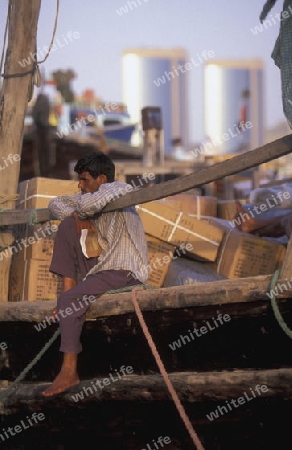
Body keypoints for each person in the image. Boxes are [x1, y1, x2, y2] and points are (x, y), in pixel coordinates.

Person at [41, 151, 148, 397]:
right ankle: (69, 293)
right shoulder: (92, 194)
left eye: (85, 179)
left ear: (101, 179)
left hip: (124, 271)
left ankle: (69, 371)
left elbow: (88, 204)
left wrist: (79, 211)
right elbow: (55, 205)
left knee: (68, 302)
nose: (80, 184)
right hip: (103, 269)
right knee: (68, 226)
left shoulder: (121, 188)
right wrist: (77, 216)